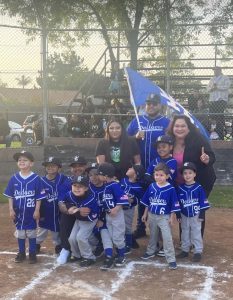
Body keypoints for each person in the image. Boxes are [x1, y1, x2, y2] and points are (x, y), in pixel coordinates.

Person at [127, 94, 170, 239]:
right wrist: (135, 137)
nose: (151, 106)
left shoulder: (166, 122)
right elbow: (125, 139)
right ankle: (140, 227)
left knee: (158, 197)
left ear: (160, 105)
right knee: (142, 197)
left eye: (154, 103)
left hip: (158, 169)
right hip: (140, 167)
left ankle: (158, 230)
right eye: (148, 103)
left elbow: (171, 142)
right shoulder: (138, 120)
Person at [167, 114, 216, 236]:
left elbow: (211, 156)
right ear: (172, 127)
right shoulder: (169, 141)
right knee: (183, 208)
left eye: (183, 126)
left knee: (196, 209)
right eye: (177, 126)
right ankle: (185, 240)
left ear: (189, 127)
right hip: (180, 182)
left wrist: (206, 159)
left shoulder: (198, 139)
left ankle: (196, 241)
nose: (180, 128)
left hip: (201, 180)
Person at [3, 150, 46, 264]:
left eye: (25, 160)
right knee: (20, 233)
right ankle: (21, 253)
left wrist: (37, 210)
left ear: (31, 163)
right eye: (19, 160)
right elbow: (10, 196)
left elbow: (39, 197)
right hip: (18, 212)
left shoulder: (36, 178)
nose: (21, 162)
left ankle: (32, 253)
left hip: (31, 212)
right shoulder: (14, 178)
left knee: (31, 233)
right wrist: (11, 209)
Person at [140, 163, 181, 270]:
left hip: (164, 217)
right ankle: (150, 251)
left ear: (167, 176)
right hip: (152, 215)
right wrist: (145, 214)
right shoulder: (152, 186)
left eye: (161, 175)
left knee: (167, 238)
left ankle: (171, 259)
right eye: (156, 175)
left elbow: (173, 205)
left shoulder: (170, 188)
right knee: (153, 235)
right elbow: (147, 202)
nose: (159, 177)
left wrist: (172, 218)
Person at [57, 155, 89, 264]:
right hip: (73, 212)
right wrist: (68, 211)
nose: (77, 168)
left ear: (85, 167)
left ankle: (99, 246)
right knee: (64, 217)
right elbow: (61, 202)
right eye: (74, 166)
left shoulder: (92, 179)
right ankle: (65, 249)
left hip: (90, 212)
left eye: (80, 165)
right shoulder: (67, 181)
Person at [97, 162, 129, 269]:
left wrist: (116, 208)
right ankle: (117, 254)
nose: (98, 176)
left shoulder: (114, 185)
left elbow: (123, 197)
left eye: (99, 174)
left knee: (117, 237)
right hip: (108, 215)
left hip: (116, 215)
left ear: (105, 176)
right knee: (111, 236)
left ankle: (122, 256)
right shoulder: (106, 186)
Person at [176, 162, 210, 262]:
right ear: (182, 175)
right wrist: (178, 214)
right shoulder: (180, 188)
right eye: (185, 173)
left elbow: (203, 202)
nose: (187, 175)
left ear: (194, 174)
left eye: (190, 173)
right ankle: (185, 250)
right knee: (185, 232)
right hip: (184, 214)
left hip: (196, 214)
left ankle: (198, 251)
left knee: (196, 232)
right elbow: (177, 202)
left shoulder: (199, 188)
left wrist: (202, 214)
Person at [36, 157, 70, 255]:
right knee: (42, 230)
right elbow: (37, 197)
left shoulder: (63, 179)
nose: (50, 167)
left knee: (56, 231)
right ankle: (36, 245)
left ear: (59, 168)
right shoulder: (41, 181)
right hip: (45, 211)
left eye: (53, 165)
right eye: (48, 166)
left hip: (58, 212)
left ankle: (58, 246)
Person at [67, 175, 99, 267]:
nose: (77, 188)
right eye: (75, 185)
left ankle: (89, 257)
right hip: (79, 218)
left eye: (80, 186)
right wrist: (71, 208)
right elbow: (67, 202)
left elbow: (94, 214)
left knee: (81, 237)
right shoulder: (70, 194)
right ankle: (77, 255)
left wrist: (78, 211)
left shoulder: (90, 199)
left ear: (86, 188)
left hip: (90, 219)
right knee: (72, 238)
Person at [120, 164, 145, 254]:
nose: (129, 168)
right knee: (119, 225)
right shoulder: (123, 180)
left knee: (127, 226)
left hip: (128, 209)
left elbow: (139, 199)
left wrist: (132, 200)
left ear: (135, 175)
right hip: (118, 208)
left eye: (131, 168)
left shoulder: (138, 187)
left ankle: (128, 244)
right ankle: (123, 242)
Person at [207, 66, 231, 140]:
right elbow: (207, 89)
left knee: (219, 116)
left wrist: (217, 87)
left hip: (221, 100)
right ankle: (214, 133)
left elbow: (227, 86)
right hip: (213, 100)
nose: (214, 71)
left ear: (220, 70)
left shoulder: (225, 78)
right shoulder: (212, 79)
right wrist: (212, 88)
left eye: (216, 70)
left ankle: (221, 134)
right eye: (214, 70)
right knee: (213, 116)